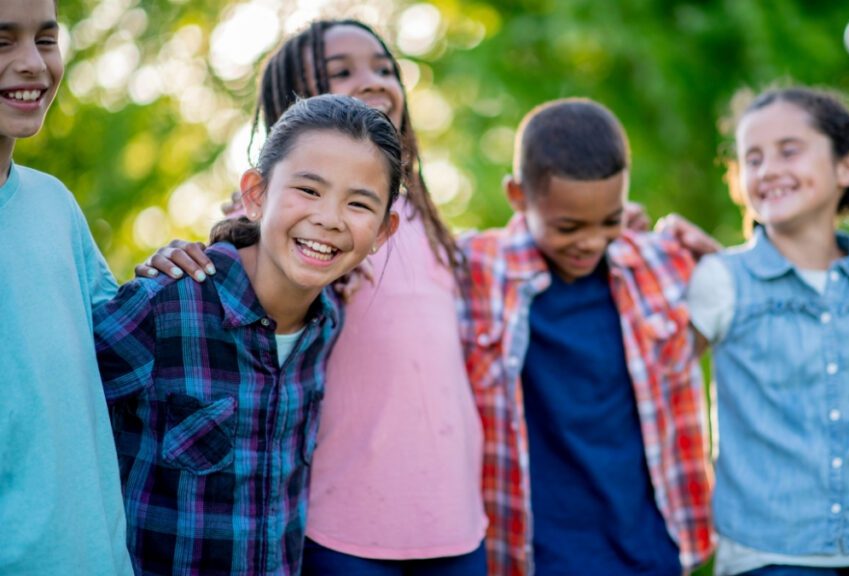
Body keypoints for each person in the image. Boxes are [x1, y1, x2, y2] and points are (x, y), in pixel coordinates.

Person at [137, 19, 491, 575]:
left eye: (383, 67)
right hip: (341, 524)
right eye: (342, 73)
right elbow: (228, 272)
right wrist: (171, 258)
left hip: (453, 523)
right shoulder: (291, 225)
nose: (372, 81)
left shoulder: (428, 228)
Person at [94, 94, 400, 575]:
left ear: (384, 230)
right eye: (310, 190)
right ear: (256, 194)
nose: (330, 218)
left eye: (359, 203)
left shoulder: (327, 327)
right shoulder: (168, 305)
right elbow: (46, 429)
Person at [458, 97, 714, 576]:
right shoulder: (473, 269)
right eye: (568, 226)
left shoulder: (663, 263)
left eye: (609, 221)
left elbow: (754, 302)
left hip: (649, 549)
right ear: (517, 195)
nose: (592, 242)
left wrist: (717, 256)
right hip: (531, 553)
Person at [688, 87, 849, 576]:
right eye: (753, 159)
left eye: (789, 151)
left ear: (847, 167)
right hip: (768, 552)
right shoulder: (722, 280)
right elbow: (655, 374)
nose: (767, 170)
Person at [0, 0, 133, 573]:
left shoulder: (54, 205)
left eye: (45, 39)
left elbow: (124, 353)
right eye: (2, 41)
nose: (32, 63)